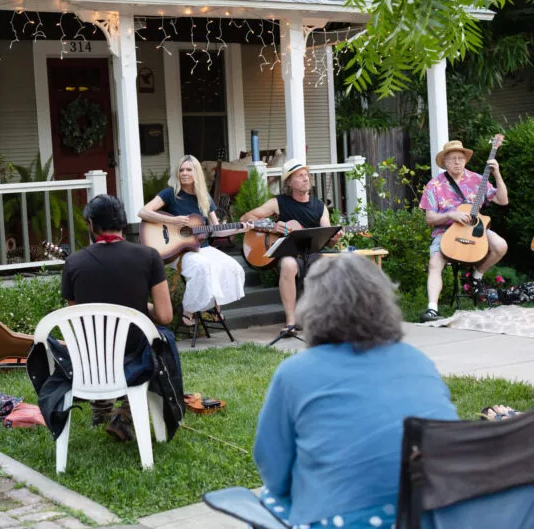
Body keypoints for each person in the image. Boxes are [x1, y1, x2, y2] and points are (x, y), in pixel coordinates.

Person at [253, 254, 457, 528]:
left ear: (312, 305)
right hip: (432, 516)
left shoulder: (295, 372)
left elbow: (273, 471)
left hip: (344, 520)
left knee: (269, 499)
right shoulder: (418, 360)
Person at [30, 195, 183, 443]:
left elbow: (79, 319)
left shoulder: (73, 262)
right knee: (160, 340)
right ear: (123, 223)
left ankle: (101, 406)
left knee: (97, 342)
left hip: (92, 359)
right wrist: (138, 306)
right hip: (135, 355)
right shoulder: (150, 257)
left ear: (91, 224)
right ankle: (128, 412)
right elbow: (165, 316)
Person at [138, 155, 250, 326]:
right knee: (202, 267)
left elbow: (216, 230)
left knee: (231, 266)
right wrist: (172, 221)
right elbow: (143, 212)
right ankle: (189, 310)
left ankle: (212, 306)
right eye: (181, 170)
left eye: (189, 169)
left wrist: (240, 227)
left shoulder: (204, 198)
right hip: (179, 251)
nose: (184, 173)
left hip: (202, 248)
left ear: (196, 172)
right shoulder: (170, 193)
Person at [240, 159, 343, 334]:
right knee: (288, 265)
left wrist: (335, 237)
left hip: (312, 253)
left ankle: (322, 318)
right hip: (288, 253)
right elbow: (245, 218)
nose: (306, 179)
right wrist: (271, 226)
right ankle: (291, 322)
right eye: (300, 176)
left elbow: (327, 237)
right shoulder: (279, 203)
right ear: (289, 182)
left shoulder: (320, 206)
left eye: (306, 175)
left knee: (328, 266)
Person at [419, 140, 508, 322]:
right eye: (452, 159)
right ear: (444, 162)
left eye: (460, 158)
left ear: (465, 160)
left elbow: (503, 200)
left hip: (474, 231)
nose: (457, 162)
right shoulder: (434, 185)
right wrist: (451, 215)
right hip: (445, 233)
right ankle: (432, 309)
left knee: (500, 245)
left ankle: (476, 276)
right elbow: (430, 219)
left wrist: (497, 174)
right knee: (435, 263)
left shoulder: (478, 180)